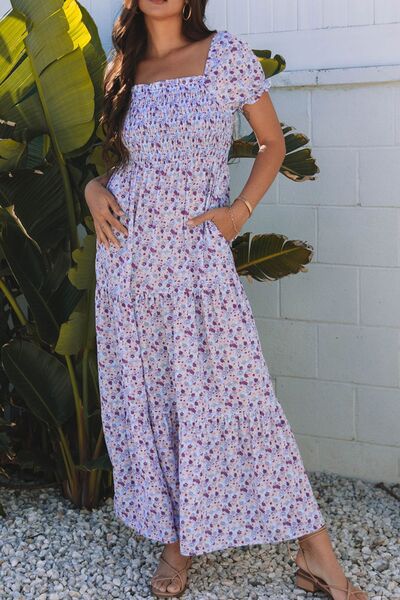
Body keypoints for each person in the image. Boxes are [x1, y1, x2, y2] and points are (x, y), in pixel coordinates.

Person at [84, 1, 368, 598]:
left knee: (244, 398)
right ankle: (176, 543)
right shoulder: (123, 67)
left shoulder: (224, 54)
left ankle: (314, 549)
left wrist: (239, 213)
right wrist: (91, 187)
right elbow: (127, 164)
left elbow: (271, 143)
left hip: (195, 263)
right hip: (128, 267)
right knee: (158, 401)